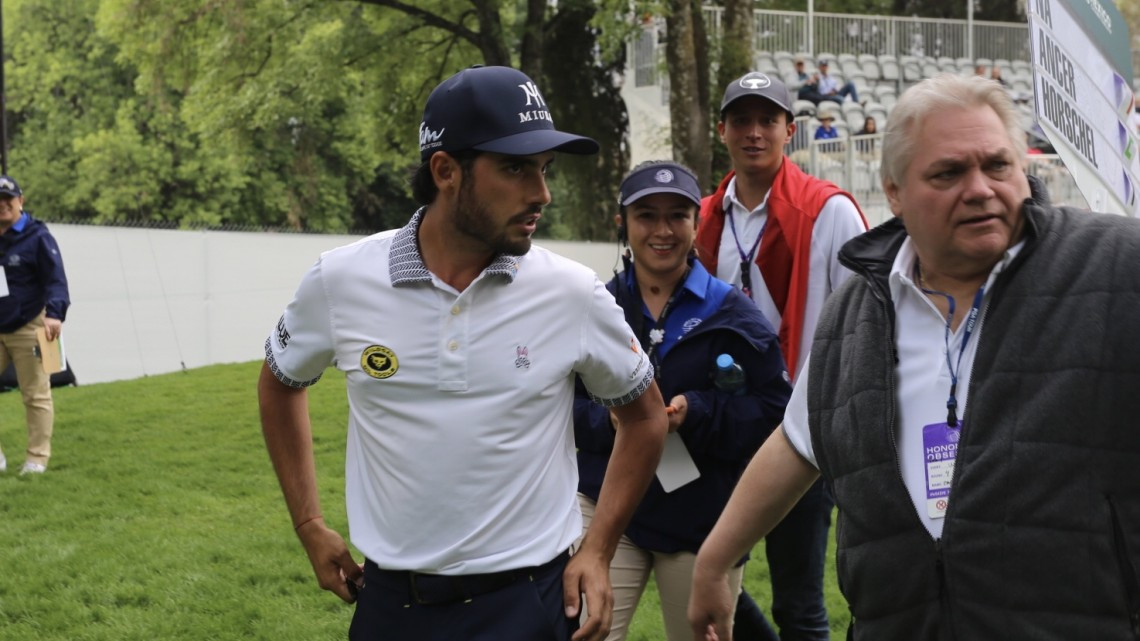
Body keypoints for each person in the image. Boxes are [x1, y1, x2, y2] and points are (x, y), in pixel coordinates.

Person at [690, 72, 1140, 641]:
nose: (979, 188)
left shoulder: (1116, 271)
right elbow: (797, 440)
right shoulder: (855, 313)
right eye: (949, 172)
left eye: (998, 165)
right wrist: (715, 561)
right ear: (895, 192)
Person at [258, 65, 669, 641]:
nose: (542, 193)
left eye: (544, 170)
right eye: (515, 168)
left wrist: (598, 551)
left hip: (531, 605)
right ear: (445, 171)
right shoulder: (341, 281)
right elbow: (280, 381)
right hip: (389, 610)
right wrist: (309, 523)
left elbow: (646, 416)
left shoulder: (571, 292)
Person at [574, 161, 791, 641]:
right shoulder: (595, 307)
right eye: (647, 215)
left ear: (697, 223)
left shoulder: (733, 312)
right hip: (606, 507)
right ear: (623, 223)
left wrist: (697, 411)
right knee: (580, 632)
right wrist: (613, 423)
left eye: (678, 215)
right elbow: (558, 410)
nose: (663, 230)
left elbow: (776, 415)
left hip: (702, 519)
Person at [696, 71, 867, 641]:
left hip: (798, 432)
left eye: (766, 120)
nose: (753, 132)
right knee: (702, 568)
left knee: (799, 601)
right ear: (722, 130)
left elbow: (863, 320)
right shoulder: (703, 217)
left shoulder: (829, 212)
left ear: (789, 130)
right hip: (722, 427)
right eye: (741, 120)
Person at [0, 175, 69, 476]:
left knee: (35, 394)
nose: (2, 206)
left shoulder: (38, 236)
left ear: (20, 201)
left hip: (30, 325)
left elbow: (56, 279)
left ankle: (36, 459)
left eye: (7, 200)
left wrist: (55, 313)